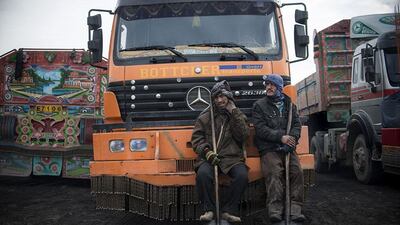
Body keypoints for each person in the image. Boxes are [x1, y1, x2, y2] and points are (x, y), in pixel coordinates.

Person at [191, 80, 249, 223]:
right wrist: (207, 152)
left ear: (229, 97)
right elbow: (196, 139)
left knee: (242, 175)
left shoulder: (237, 115)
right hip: (209, 158)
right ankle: (209, 210)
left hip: (232, 158)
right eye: (216, 97)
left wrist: (234, 112)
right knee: (203, 174)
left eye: (222, 96)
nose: (219, 100)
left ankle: (229, 211)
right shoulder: (205, 117)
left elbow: (243, 135)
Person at [252, 74, 305, 223]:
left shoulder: (290, 105)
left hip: (288, 148)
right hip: (269, 148)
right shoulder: (259, 105)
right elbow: (260, 129)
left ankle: (295, 210)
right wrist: (281, 137)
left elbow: (296, 125)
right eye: (267, 84)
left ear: (280, 88)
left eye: (272, 85)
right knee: (274, 173)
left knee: (297, 172)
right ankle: (275, 210)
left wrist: (291, 141)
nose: (268, 87)